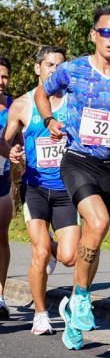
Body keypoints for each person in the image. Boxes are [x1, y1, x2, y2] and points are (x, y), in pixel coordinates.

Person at [34, 6, 110, 350]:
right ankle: (83, 296)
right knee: (99, 222)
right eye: (106, 32)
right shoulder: (72, 70)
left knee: (94, 239)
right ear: (94, 35)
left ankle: (74, 311)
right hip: (77, 160)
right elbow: (43, 92)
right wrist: (48, 120)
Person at [0, 46, 81, 339]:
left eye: (59, 66)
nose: (53, 71)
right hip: (35, 188)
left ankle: (49, 246)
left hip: (66, 191)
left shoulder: (73, 103)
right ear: (37, 68)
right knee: (40, 252)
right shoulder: (22, 106)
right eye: (49, 65)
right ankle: (40, 314)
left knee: (71, 257)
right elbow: (3, 140)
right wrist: (10, 153)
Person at [0, 56, 13, 320]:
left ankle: (0, 296)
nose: (1, 82)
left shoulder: (13, 106)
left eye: (5, 77)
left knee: (1, 234)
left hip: (2, 177)